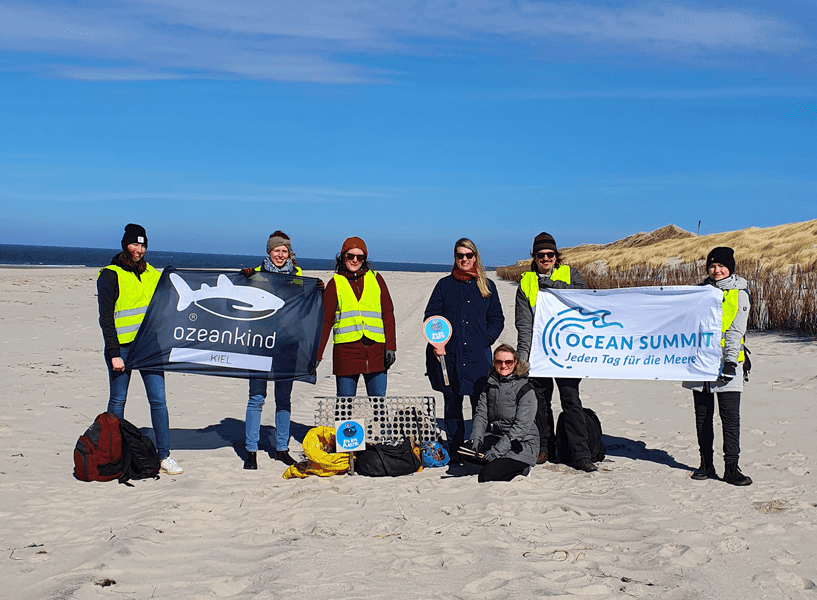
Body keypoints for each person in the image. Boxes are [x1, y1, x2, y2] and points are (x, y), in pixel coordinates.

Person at [97, 223, 183, 475]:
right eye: (135, 244)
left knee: (158, 401)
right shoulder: (110, 274)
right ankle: (114, 453)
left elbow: (176, 284)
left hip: (150, 348)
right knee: (118, 399)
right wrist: (113, 353)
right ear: (126, 245)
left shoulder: (152, 273)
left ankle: (164, 455)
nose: (139, 249)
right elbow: (106, 318)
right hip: (121, 349)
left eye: (143, 245)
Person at [515, 231, 597, 472]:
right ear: (534, 256)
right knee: (541, 400)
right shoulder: (526, 281)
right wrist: (523, 356)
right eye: (541, 255)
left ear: (556, 255)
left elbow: (584, 297)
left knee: (571, 400)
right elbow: (524, 323)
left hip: (567, 351)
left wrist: (551, 285)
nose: (546, 258)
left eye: (550, 254)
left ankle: (580, 453)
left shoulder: (569, 273)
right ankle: (543, 448)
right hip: (540, 351)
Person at [424, 238, 504, 461]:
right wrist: (436, 343)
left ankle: (479, 446)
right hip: (448, 357)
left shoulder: (487, 286)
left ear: (475, 257)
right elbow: (431, 316)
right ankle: (455, 449)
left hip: (478, 357)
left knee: (480, 405)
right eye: (460, 256)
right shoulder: (444, 285)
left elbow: (497, 318)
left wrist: (486, 339)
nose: (465, 260)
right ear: (455, 258)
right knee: (452, 404)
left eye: (469, 256)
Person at [239, 231, 314, 470]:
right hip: (260, 343)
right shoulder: (255, 274)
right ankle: (251, 450)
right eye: (276, 250)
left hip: (287, 344)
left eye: (285, 251)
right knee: (256, 397)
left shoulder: (298, 275)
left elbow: (304, 302)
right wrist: (244, 277)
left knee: (283, 399)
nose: (281, 255)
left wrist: (317, 289)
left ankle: (282, 448)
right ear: (269, 251)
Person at [683, 247, 752, 486]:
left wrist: (731, 361)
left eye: (721, 266)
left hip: (727, 363)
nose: (717, 270)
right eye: (712, 266)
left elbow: (735, 330)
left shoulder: (739, 294)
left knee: (730, 418)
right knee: (703, 416)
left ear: (730, 268)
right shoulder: (698, 292)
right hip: (700, 363)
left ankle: (732, 467)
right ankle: (706, 464)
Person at [317, 237, 396, 397]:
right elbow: (326, 322)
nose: (355, 260)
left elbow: (388, 314)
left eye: (360, 257)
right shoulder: (335, 283)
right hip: (346, 353)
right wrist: (317, 355)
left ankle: (379, 424)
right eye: (350, 256)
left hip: (376, 352)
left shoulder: (376, 279)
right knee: (345, 407)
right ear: (343, 256)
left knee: (379, 405)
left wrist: (391, 347)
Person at [468, 344, 538, 482]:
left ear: (515, 362)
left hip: (521, 442)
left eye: (508, 362)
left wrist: (496, 451)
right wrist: (477, 438)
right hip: (499, 436)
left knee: (486, 476)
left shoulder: (525, 389)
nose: (504, 365)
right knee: (466, 452)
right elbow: (481, 414)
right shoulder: (490, 385)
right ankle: (499, 461)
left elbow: (520, 428)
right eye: (499, 361)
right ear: (494, 362)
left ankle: (523, 468)